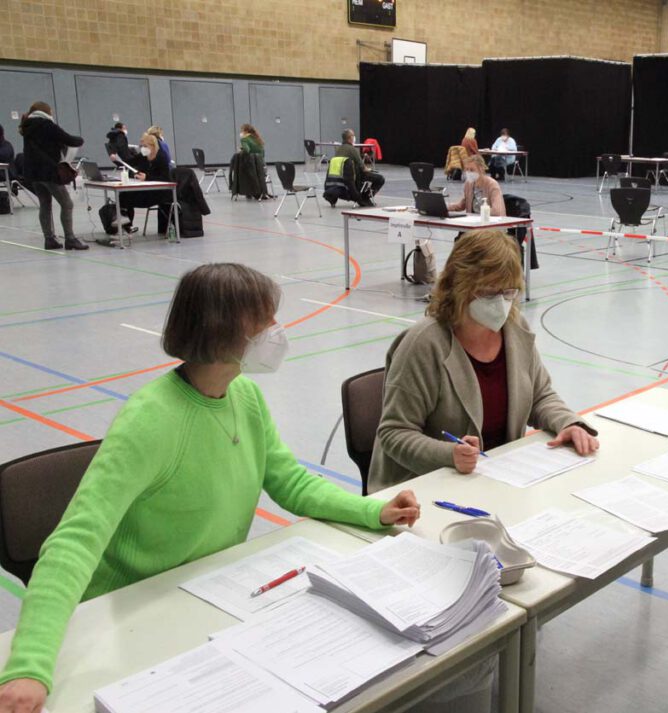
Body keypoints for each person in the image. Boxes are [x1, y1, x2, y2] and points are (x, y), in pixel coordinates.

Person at [0, 263, 421, 713]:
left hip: (206, 597)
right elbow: (74, 543)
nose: (277, 331)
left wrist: (373, 511)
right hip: (131, 614)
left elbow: (290, 483)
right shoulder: (150, 419)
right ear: (223, 331)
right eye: (265, 322)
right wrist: (28, 667)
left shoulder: (245, 397)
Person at [368, 229, 598, 493]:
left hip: (495, 482)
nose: (501, 304)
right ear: (459, 286)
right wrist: (448, 454)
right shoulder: (423, 344)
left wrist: (568, 423)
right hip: (422, 490)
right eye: (489, 293)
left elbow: (540, 396)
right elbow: (393, 433)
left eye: (509, 293)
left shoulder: (514, 328)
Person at [18, 101, 88, 250]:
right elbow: (69, 139)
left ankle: (49, 239)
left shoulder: (27, 126)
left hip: (34, 173)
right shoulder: (46, 125)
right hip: (49, 171)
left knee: (45, 205)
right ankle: (70, 238)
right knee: (67, 204)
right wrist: (81, 140)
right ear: (46, 111)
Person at [98, 133, 171, 241]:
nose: (143, 148)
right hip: (146, 189)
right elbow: (130, 162)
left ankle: (125, 225)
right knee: (123, 195)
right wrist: (117, 159)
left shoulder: (162, 157)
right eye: (142, 146)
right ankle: (126, 226)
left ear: (152, 146)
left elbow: (165, 178)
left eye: (145, 146)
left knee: (127, 198)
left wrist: (147, 177)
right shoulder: (144, 155)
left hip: (158, 193)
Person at [333, 128, 384, 201]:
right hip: (354, 177)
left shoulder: (338, 149)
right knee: (380, 179)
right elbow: (363, 168)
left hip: (340, 177)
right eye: (353, 136)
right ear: (349, 138)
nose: (354, 137)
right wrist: (369, 169)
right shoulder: (353, 149)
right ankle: (366, 196)